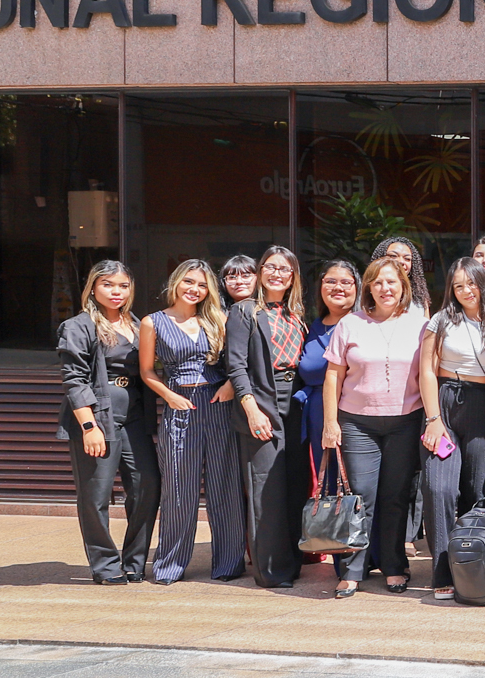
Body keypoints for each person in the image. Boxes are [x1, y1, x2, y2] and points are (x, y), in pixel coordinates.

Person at [321, 256, 428, 598]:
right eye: (378, 282)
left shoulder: (420, 324)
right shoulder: (350, 324)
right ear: (368, 287)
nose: (385, 288)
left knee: (396, 497)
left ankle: (395, 565)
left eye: (392, 282)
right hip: (357, 423)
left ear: (403, 287)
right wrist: (330, 423)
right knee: (361, 499)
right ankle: (353, 569)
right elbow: (333, 375)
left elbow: (427, 373)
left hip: (405, 421)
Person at [138, 258, 240, 585]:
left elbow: (236, 363)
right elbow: (146, 372)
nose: (194, 290)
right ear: (176, 284)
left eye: (201, 285)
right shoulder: (152, 322)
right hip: (180, 406)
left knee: (224, 487)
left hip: (218, 404)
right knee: (179, 488)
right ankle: (170, 566)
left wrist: (229, 386)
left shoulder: (218, 319)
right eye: (189, 282)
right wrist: (168, 396)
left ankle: (228, 565)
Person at [59, 260, 159, 585]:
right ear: (93, 287)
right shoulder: (79, 325)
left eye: (123, 286)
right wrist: (89, 427)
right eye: (108, 285)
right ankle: (105, 566)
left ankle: (134, 561)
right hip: (98, 417)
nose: (116, 291)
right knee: (96, 495)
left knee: (147, 487)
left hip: (135, 419)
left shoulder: (138, 323)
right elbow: (74, 380)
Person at [225, 245, 309, 589]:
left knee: (293, 487)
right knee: (266, 490)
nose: (277, 274)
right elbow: (235, 365)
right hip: (262, 402)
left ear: (293, 277)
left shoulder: (296, 313)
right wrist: (251, 409)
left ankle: (291, 562)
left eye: (284, 269)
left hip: (296, 405)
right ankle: (270, 571)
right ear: (260, 272)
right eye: (270, 267)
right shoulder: (244, 311)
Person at [417, 257, 485, 600]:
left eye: (471, 283)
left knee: (478, 490)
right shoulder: (440, 321)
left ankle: (474, 570)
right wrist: (433, 419)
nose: (466, 291)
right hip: (446, 401)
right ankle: (441, 572)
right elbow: (426, 370)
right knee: (438, 488)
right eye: (458, 285)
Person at [296, 260, 359, 559]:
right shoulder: (313, 326)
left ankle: (356, 556)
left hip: (353, 414)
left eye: (345, 282)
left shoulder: (364, 322)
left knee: (353, 485)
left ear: (358, 288)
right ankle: (329, 545)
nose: (337, 287)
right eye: (330, 281)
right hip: (317, 416)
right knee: (327, 485)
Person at [372, 235, 431, 314]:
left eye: (407, 259)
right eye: (393, 256)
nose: (401, 262)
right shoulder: (368, 293)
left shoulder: (420, 297)